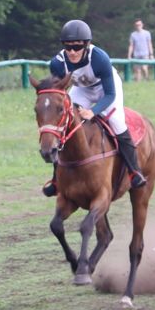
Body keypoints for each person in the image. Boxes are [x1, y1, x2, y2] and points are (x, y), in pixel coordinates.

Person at [41, 19, 144, 197]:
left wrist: (93, 111)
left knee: (117, 122)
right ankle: (56, 179)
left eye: (77, 47)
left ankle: (134, 171)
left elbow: (110, 94)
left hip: (106, 89)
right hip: (82, 90)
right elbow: (58, 91)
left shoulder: (99, 58)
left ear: (87, 45)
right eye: (68, 47)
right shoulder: (57, 63)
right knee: (64, 127)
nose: (72, 52)